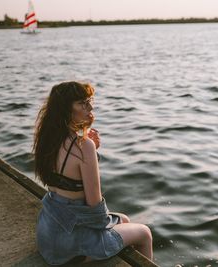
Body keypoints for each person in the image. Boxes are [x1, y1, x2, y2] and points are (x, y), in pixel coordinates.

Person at [33, 81, 153, 265]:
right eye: (82, 103)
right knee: (144, 233)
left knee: (125, 220)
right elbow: (95, 207)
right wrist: (89, 149)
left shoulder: (48, 138)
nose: (90, 106)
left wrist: (89, 149)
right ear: (66, 109)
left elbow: (67, 170)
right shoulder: (83, 146)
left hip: (48, 235)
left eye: (89, 100)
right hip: (68, 246)